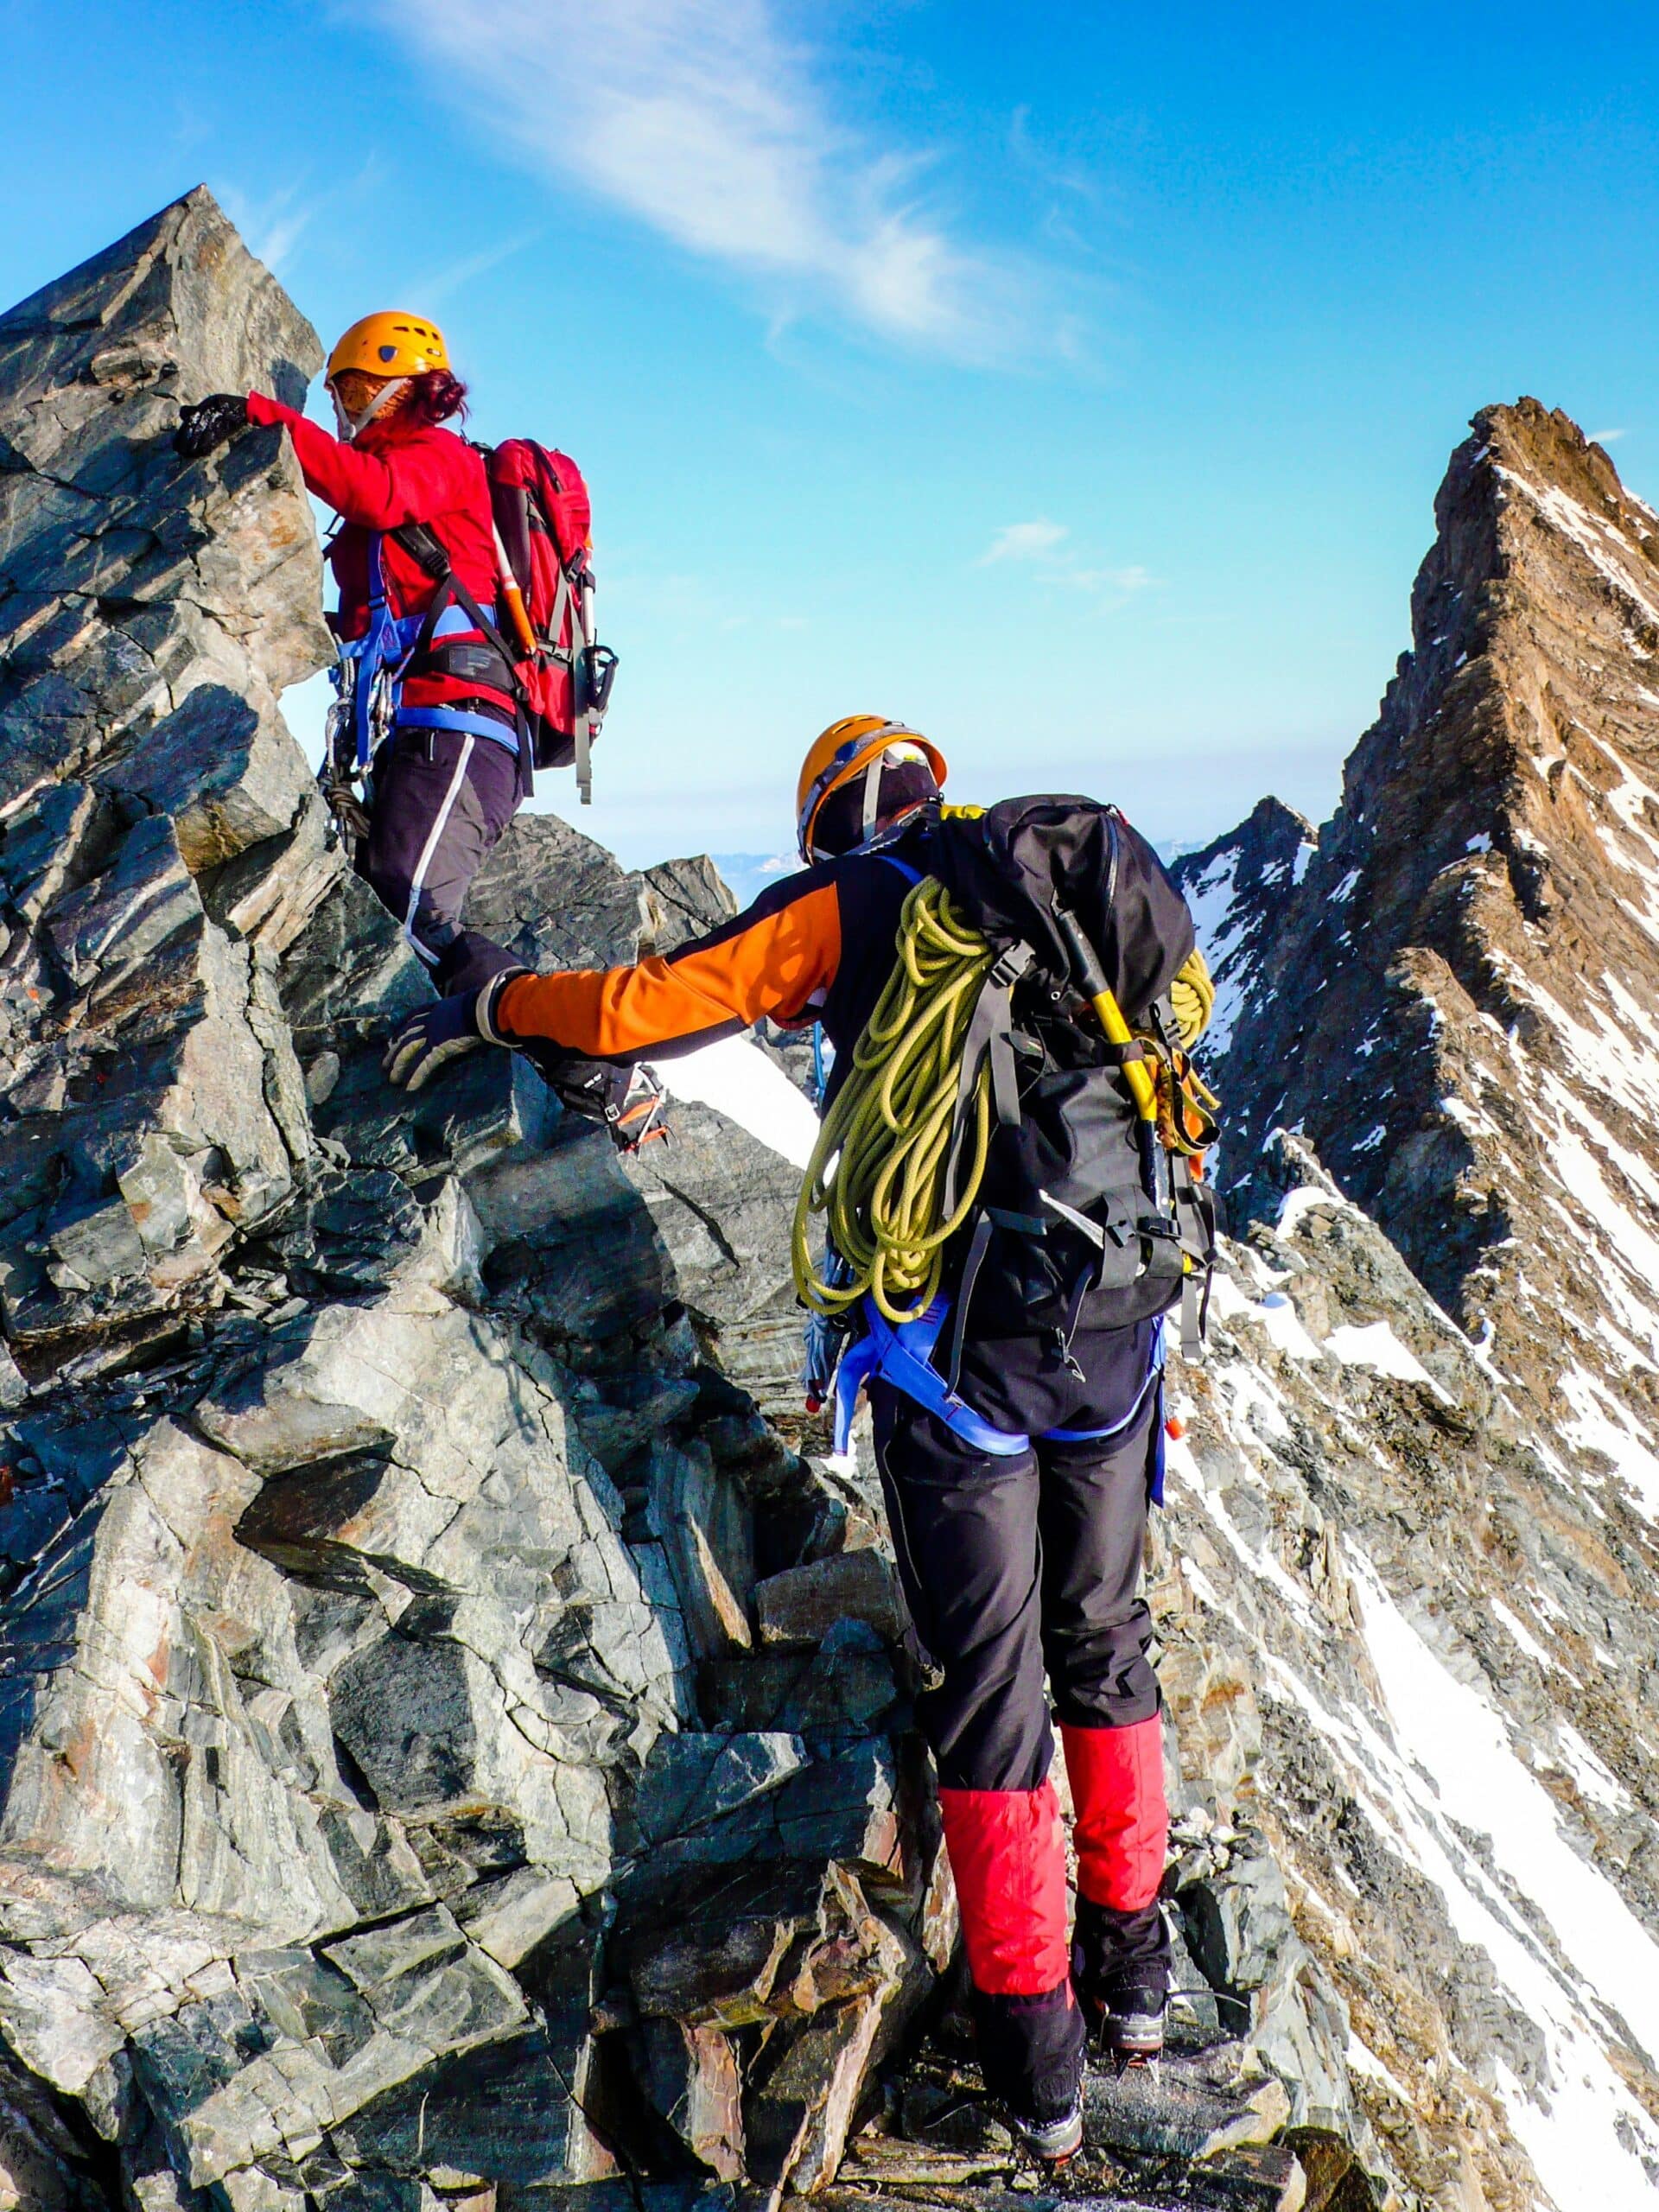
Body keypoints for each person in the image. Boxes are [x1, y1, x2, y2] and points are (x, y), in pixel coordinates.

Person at [383, 715, 1201, 2161]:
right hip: (1118, 1320)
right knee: (1107, 1636)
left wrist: (506, 1005)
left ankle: (1040, 2065)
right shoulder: (1047, 902)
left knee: (993, 1682)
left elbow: (646, 1004)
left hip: (968, 1360)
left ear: (825, 819)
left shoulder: (855, 903)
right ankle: (1137, 1991)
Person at [175, 313, 525, 997]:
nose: (347, 404)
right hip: (413, 727)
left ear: (407, 389)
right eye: (344, 388)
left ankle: (558, 1050)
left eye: (363, 386)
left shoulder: (439, 458)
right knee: (380, 898)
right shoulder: (389, 481)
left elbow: (377, 493)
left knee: (411, 899)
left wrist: (260, 416)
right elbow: (366, 619)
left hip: (461, 722)